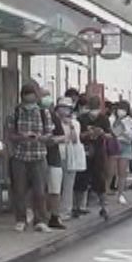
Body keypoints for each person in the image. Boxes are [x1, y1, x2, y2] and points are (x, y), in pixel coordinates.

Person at [7, 82, 52, 233]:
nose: (29, 97)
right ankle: (20, 219)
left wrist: (40, 137)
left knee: (40, 190)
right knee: (19, 190)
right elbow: (10, 134)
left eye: (32, 93)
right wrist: (22, 137)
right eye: (26, 93)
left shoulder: (43, 112)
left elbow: (49, 134)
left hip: (39, 155)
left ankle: (40, 220)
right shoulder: (16, 112)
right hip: (20, 156)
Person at [77, 92, 113, 221]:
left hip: (98, 152)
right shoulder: (82, 119)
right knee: (83, 178)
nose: (94, 111)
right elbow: (78, 135)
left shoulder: (103, 119)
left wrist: (102, 133)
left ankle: (103, 206)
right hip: (86, 151)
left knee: (98, 179)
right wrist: (88, 133)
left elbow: (109, 136)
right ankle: (79, 206)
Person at [54, 95, 80, 227]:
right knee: (56, 185)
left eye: (67, 108)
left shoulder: (75, 123)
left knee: (68, 184)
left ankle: (66, 211)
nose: (64, 111)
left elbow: (75, 139)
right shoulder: (53, 121)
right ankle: (55, 211)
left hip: (69, 156)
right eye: (62, 108)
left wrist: (70, 126)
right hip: (56, 155)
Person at [109, 102, 132, 202]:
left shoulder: (130, 121)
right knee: (111, 171)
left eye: (124, 109)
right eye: (120, 108)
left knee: (122, 172)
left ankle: (121, 194)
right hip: (114, 144)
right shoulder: (112, 119)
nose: (122, 111)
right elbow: (111, 131)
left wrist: (124, 132)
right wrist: (118, 131)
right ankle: (105, 191)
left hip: (126, 145)